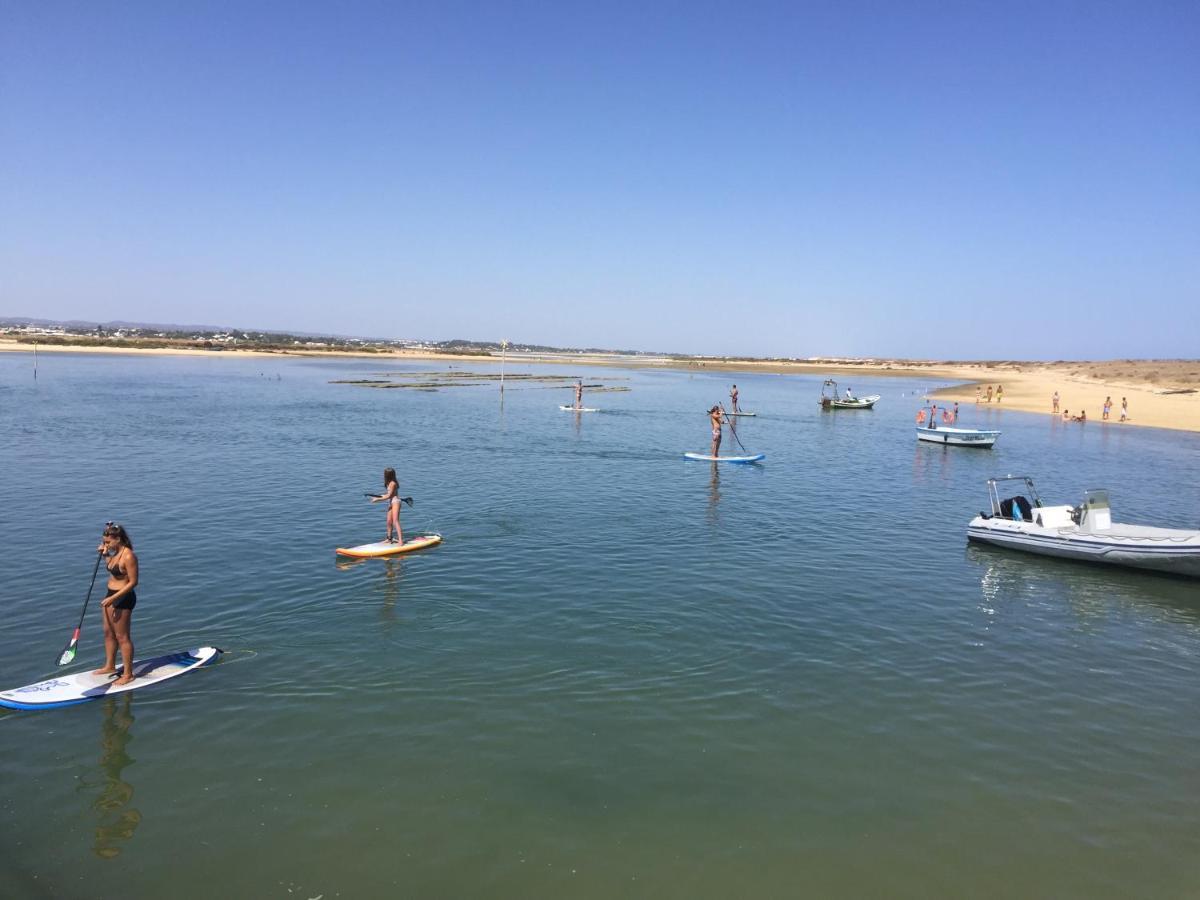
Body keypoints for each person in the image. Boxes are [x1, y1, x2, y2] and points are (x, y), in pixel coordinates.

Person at [93, 523, 138, 686]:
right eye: (104, 542)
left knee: (122, 637)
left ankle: (128, 674)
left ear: (118, 539)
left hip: (123, 598)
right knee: (108, 633)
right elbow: (113, 568)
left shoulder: (128, 556)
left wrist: (113, 599)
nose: (106, 545)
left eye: (108, 542)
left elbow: (133, 582)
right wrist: (105, 554)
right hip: (110, 596)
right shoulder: (116, 552)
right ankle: (110, 666)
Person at [370, 467, 403, 544]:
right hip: (391, 502)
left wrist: (378, 500)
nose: (383, 475)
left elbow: (389, 496)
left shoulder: (393, 483)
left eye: (385, 474)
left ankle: (401, 541)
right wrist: (380, 496)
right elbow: (388, 494)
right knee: (388, 522)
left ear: (388, 475)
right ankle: (389, 538)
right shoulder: (388, 482)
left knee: (395, 521)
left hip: (396, 502)